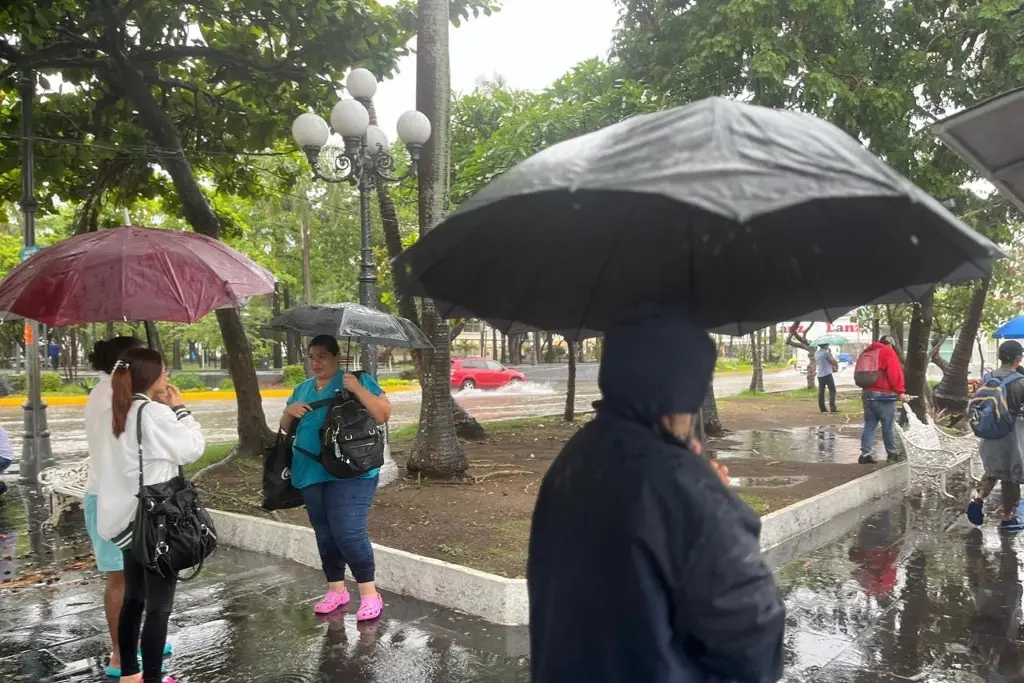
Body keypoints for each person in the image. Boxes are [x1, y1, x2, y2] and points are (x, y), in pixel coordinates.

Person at [527, 305, 785, 683]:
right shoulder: (680, 484)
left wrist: (693, 480)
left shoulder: (575, 455)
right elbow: (752, 633)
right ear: (682, 388)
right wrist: (709, 495)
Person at [100, 347, 205, 683]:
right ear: (150, 377)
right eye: (164, 372)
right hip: (156, 522)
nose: (167, 377)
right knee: (158, 607)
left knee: (134, 597)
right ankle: (153, 678)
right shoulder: (154, 415)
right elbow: (193, 447)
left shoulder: (117, 410)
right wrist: (181, 410)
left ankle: (131, 674)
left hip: (127, 521)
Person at [280, 335, 391, 621]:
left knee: (348, 532)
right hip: (310, 470)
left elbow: (382, 414)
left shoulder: (356, 380)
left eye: (322, 356)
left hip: (352, 471)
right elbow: (283, 429)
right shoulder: (301, 389)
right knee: (326, 534)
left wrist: (355, 387)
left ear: (336, 357)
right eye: (312, 356)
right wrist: (288, 413)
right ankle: (336, 590)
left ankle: (369, 594)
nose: (316, 362)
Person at [83, 336, 157, 677]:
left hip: (127, 498)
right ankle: (118, 654)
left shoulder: (114, 394)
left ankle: (134, 644)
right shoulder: (109, 398)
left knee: (136, 578)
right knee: (120, 580)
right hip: (109, 499)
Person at [967, 340, 1024, 531]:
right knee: (1011, 476)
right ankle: (1008, 517)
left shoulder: (987, 377)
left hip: (989, 434)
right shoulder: (1020, 381)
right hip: (1011, 435)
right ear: (1018, 357)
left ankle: (977, 499)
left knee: (992, 470)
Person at [857, 335, 908, 464]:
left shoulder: (866, 352)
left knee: (869, 424)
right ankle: (892, 453)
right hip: (884, 395)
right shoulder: (887, 352)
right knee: (888, 425)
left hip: (867, 394)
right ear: (890, 344)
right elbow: (894, 373)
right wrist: (900, 391)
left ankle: (865, 454)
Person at [815, 342, 839, 413]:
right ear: (825, 345)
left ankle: (822, 409)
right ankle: (832, 408)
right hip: (827, 374)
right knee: (832, 390)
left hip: (820, 374)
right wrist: (836, 365)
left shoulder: (816, 353)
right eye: (827, 344)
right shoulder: (826, 353)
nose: (828, 345)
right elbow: (833, 361)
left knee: (821, 392)